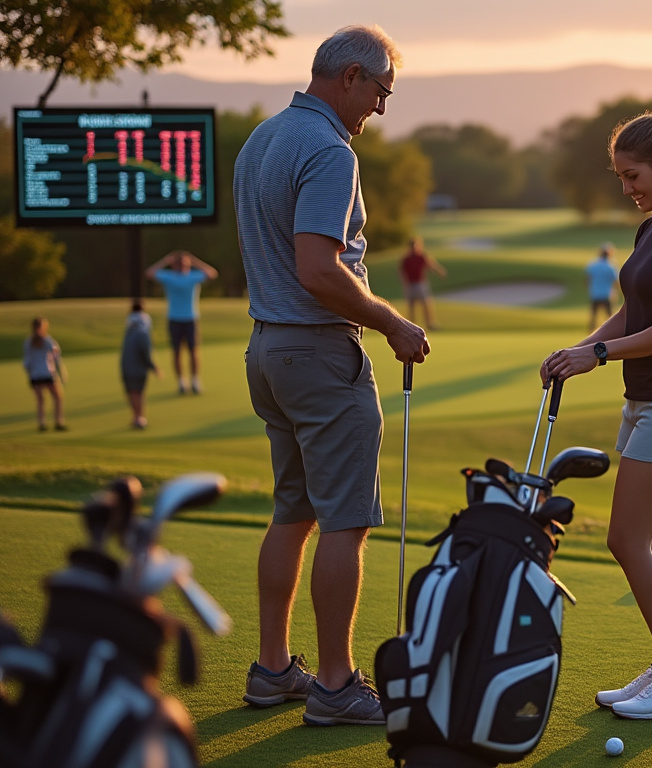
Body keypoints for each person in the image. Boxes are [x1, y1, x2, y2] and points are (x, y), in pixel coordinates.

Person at [232, 24, 429, 727]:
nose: (381, 108)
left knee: (294, 509)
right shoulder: (328, 150)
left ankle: (274, 668)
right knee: (345, 520)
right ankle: (337, 685)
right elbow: (320, 269)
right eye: (381, 91)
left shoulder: (264, 137)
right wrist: (393, 325)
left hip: (268, 352)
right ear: (350, 76)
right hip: (319, 354)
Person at [540, 102, 652, 720]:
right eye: (621, 177)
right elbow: (637, 311)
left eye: (633, 176)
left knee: (627, 540)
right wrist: (584, 345)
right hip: (646, 399)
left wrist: (601, 354)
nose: (627, 188)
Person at [145, 250, 217, 394]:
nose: (182, 265)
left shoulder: (193, 276)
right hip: (174, 319)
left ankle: (195, 381)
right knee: (177, 352)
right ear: (174, 265)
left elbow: (212, 273)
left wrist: (194, 260)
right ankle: (181, 382)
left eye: (185, 263)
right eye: (179, 263)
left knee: (193, 351)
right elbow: (149, 273)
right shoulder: (168, 277)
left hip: (191, 319)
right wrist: (165, 260)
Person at [23, 317, 66, 432]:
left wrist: (29, 373)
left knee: (40, 400)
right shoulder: (47, 340)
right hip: (47, 373)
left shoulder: (28, 342)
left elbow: (27, 362)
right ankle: (58, 422)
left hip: (35, 375)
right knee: (57, 397)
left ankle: (42, 423)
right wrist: (61, 373)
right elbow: (56, 355)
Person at [120, 302, 159, 429]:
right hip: (138, 368)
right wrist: (154, 367)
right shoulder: (143, 328)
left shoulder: (129, 327)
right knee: (138, 393)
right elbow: (146, 352)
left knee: (132, 392)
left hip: (126, 366)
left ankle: (135, 417)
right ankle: (139, 418)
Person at [399, 237, 446, 330]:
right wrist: (404, 284)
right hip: (410, 284)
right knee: (411, 306)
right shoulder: (406, 259)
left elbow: (431, 265)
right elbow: (402, 273)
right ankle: (411, 325)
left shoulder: (422, 257)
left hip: (420, 283)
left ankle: (430, 324)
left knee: (426, 304)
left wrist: (439, 272)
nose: (414, 248)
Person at [585, 242, 620, 331]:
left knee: (593, 317)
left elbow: (588, 279)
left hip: (595, 294)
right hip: (607, 294)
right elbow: (615, 281)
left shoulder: (593, 265)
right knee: (610, 318)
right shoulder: (611, 266)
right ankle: (613, 332)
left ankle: (590, 336)